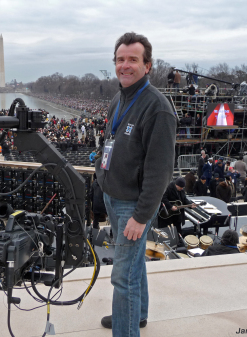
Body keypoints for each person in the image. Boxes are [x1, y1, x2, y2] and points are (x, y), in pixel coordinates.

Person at [95, 32, 176, 335]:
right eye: (120, 59)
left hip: (133, 205)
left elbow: (160, 172)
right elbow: (108, 143)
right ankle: (136, 314)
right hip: (112, 196)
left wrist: (141, 217)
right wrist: (99, 182)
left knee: (122, 276)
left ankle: (126, 329)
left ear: (147, 65)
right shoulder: (119, 98)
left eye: (133, 59)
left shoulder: (157, 108)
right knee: (133, 264)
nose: (125, 65)